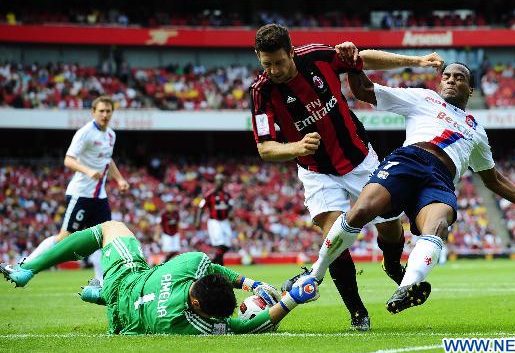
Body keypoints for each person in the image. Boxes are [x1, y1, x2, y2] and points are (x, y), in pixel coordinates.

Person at [287, 57, 515, 314]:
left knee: (438, 225)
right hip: (410, 160)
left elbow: (493, 179)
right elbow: (364, 91)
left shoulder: (477, 132)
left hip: (440, 179)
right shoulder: (423, 98)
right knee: (361, 211)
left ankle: (406, 287)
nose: (451, 80)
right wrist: (352, 63)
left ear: (470, 89)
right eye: (447, 76)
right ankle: (315, 273)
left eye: (459, 77)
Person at [249, 23, 443, 330]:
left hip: (360, 160)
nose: (273, 70)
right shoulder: (262, 93)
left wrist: (417, 61)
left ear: (291, 52)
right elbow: (264, 148)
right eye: (266, 64)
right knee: (334, 238)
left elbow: (361, 58)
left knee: (391, 230)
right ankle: (357, 313)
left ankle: (392, 264)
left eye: (279, 62)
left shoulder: (316, 57)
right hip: (317, 173)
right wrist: (296, 146)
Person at [0, 220, 319, 335]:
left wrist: (249, 283)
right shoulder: (196, 325)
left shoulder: (192, 262)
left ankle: (30, 267)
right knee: (143, 303)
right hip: (121, 320)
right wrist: (292, 300)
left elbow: (214, 269)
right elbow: (251, 326)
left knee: (110, 228)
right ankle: (100, 296)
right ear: (197, 303)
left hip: (125, 281)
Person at [26, 95, 129, 284]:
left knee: (104, 237)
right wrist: (89, 170)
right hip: (81, 194)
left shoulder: (111, 135)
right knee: (64, 237)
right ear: (93, 112)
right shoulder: (85, 132)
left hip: (100, 196)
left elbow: (108, 159)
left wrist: (120, 179)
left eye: (108, 111)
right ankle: (25, 265)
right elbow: (69, 159)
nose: (105, 114)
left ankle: (101, 282)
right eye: (102, 111)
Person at [196, 174, 234, 265]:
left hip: (225, 222)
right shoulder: (209, 195)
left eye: (221, 181)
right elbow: (201, 207)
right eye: (218, 180)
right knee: (220, 245)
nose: (220, 183)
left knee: (227, 245)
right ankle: (217, 266)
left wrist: (231, 213)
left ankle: (214, 264)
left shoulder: (227, 195)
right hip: (214, 222)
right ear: (215, 182)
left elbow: (231, 206)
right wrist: (198, 220)